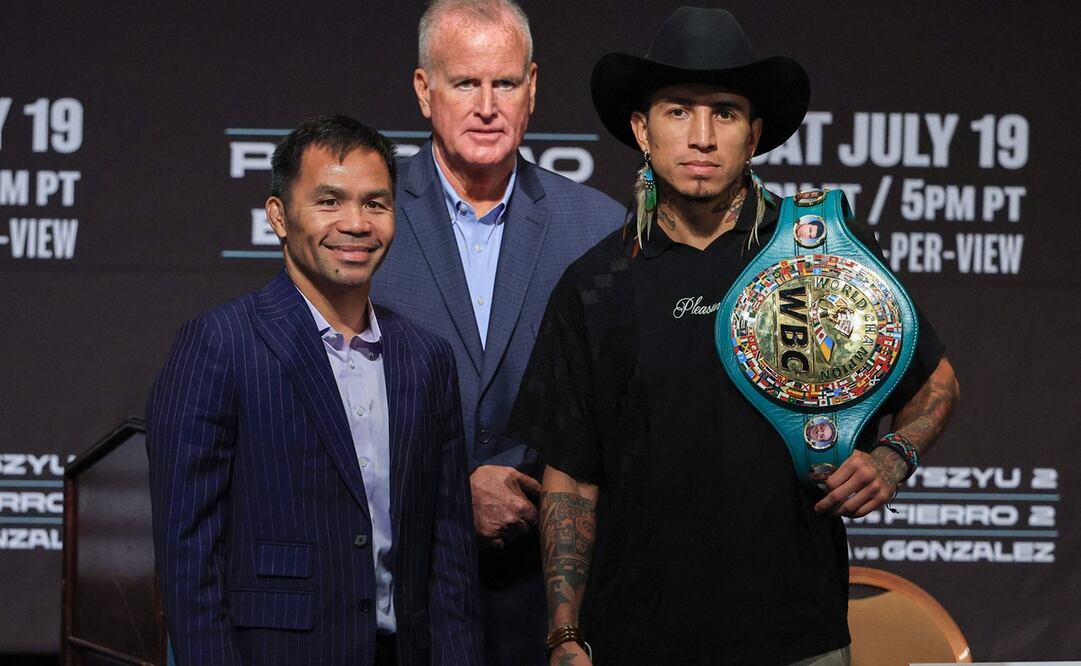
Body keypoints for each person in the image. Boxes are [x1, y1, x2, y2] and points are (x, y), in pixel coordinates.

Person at [507, 8, 960, 665]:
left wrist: (892, 459)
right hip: (637, 642)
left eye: (724, 112)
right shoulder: (596, 284)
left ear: (754, 136)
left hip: (796, 638)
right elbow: (570, 479)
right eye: (677, 111)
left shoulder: (819, 255)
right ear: (642, 130)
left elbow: (937, 384)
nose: (701, 136)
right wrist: (564, 632)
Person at [146, 115, 483, 666]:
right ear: (278, 216)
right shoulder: (219, 344)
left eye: (375, 204)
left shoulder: (426, 358)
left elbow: (449, 556)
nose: (356, 223)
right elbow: (188, 558)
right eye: (329, 201)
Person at [370, 1, 624, 662]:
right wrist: (451, 495)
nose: (487, 106)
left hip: (550, 602)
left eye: (504, 83)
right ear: (424, 90)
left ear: (531, 88)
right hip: (400, 591)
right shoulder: (364, 220)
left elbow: (620, 412)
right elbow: (324, 404)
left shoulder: (598, 228)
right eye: (465, 83)